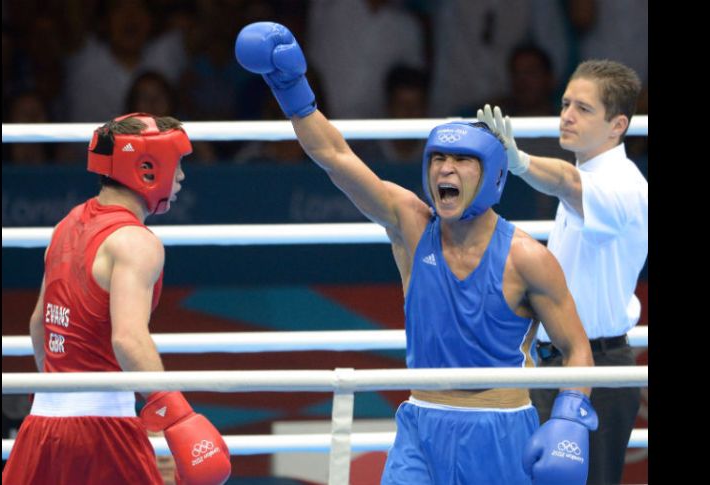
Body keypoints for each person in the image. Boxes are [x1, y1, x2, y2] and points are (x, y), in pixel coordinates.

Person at [235, 22, 598, 485]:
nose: (445, 168)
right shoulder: (411, 224)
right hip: (421, 426)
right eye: (437, 160)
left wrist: (569, 418)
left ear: (491, 175)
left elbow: (576, 347)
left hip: (501, 429)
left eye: (462, 160)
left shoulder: (526, 257)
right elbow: (334, 155)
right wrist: (291, 88)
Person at [1, 113, 231, 485]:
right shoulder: (135, 242)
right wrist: (178, 417)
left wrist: (62, 398)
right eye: (178, 165)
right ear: (146, 167)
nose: (182, 178)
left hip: (40, 428)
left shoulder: (67, 224)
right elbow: (127, 338)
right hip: (103, 431)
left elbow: (38, 324)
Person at [477, 59, 647, 485]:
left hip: (597, 371)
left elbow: (567, 182)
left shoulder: (623, 183)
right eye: (566, 103)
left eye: (584, 109)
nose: (567, 115)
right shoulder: (590, 176)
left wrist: (517, 161)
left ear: (617, 125)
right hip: (553, 365)